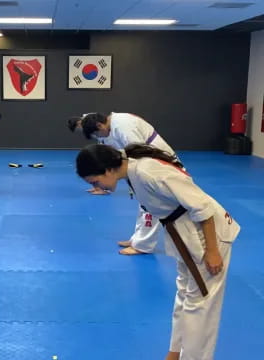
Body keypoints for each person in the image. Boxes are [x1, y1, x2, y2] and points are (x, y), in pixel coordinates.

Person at [76, 144, 240, 360]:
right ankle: (174, 354)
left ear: (107, 170)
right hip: (183, 235)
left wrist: (212, 251)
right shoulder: (133, 171)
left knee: (201, 305)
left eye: (96, 181)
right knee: (185, 295)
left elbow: (203, 207)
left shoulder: (148, 172)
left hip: (207, 234)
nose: (99, 187)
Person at [81, 112, 178, 255]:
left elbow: (140, 152)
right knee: (143, 204)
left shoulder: (123, 126)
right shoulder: (112, 127)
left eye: (97, 134)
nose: (99, 138)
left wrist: (133, 178)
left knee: (150, 205)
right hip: (147, 166)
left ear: (99, 125)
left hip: (160, 167)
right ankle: (138, 239)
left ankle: (143, 245)